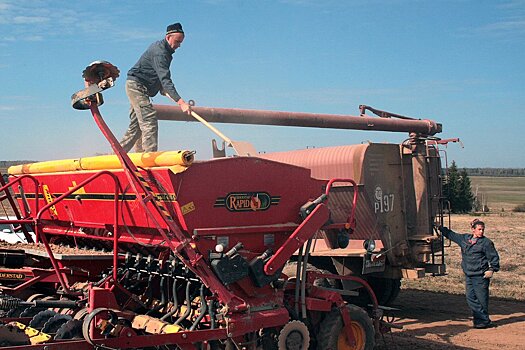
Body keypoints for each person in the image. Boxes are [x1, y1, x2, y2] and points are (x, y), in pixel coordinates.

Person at [120, 22, 192, 153]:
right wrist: (181, 102)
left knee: (136, 127)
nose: (178, 45)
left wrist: (164, 90)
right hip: (137, 87)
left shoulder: (165, 52)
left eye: (180, 42)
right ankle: (149, 160)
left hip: (139, 87)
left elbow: (159, 79)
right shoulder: (160, 52)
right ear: (168, 37)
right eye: (177, 41)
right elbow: (165, 79)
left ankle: (118, 156)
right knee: (149, 120)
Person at [439, 219, 500, 329]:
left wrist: (492, 269)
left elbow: (494, 257)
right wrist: (441, 228)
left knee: (482, 300)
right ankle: (481, 320)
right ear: (473, 230)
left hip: (480, 276)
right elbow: (451, 235)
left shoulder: (486, 243)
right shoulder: (465, 239)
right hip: (469, 274)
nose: (481, 231)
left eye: (483, 229)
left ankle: (483, 322)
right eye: (479, 229)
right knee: (470, 298)